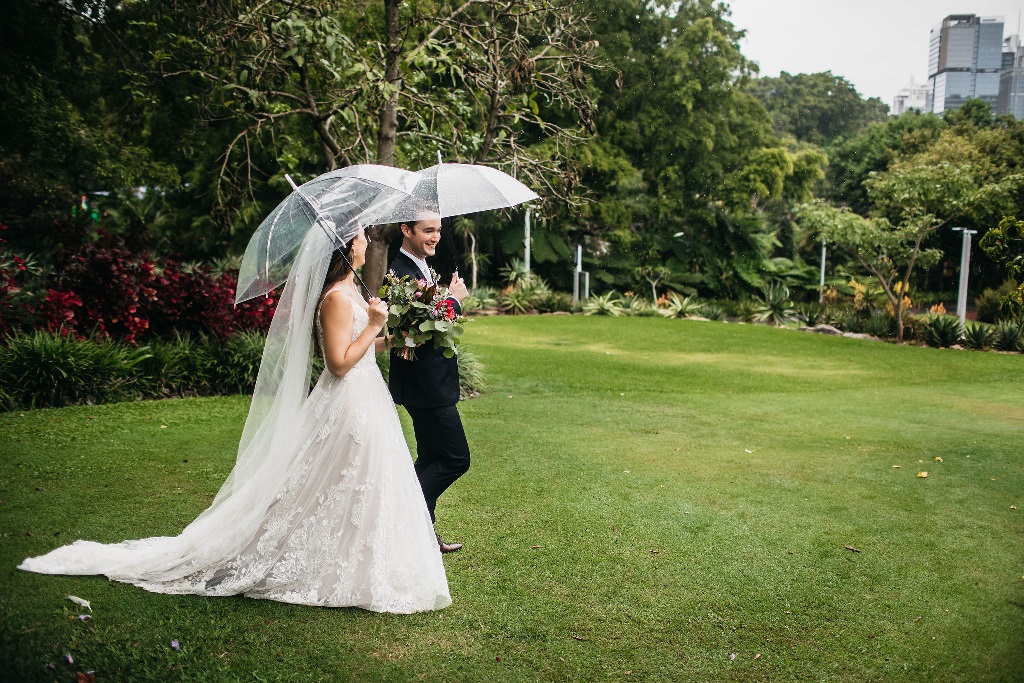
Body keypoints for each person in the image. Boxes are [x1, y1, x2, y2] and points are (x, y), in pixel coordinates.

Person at [19, 226, 451, 614]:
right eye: (359, 236)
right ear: (345, 247)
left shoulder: (353, 291)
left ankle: (359, 556)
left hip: (368, 393)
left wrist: (395, 337)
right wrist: (374, 325)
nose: (365, 241)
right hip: (349, 399)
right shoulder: (336, 298)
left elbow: (361, 347)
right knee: (337, 479)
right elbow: (338, 364)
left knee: (361, 480)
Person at [387, 216, 470, 554]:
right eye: (428, 230)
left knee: (430, 457)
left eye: (438, 230)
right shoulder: (400, 271)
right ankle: (401, 521)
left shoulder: (421, 265)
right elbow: (418, 327)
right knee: (454, 458)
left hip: (429, 382)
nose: (436, 236)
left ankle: (422, 535)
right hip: (424, 384)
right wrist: (455, 300)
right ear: (406, 230)